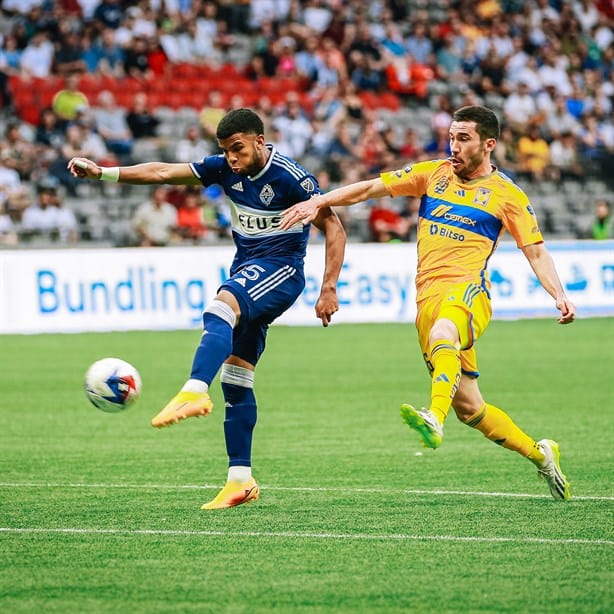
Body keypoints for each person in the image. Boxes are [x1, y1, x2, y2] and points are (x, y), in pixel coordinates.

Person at [281, 105, 575, 501]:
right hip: (426, 297)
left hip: (468, 290)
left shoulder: (507, 195)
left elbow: (536, 252)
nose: (453, 145)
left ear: (489, 144)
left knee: (445, 333)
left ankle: (433, 418)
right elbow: (370, 188)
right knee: (471, 410)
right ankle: (541, 455)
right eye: (451, 137)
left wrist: (558, 294)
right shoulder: (432, 174)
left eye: (463, 138)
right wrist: (317, 201)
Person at [68, 108, 346, 509]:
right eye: (225, 151)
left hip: (281, 272)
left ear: (259, 141)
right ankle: (240, 480)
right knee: (236, 379)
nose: (231, 158)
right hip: (248, 269)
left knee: (220, 307)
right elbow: (164, 172)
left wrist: (328, 287)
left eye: (237, 149)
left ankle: (195, 389)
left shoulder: (291, 177)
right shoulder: (223, 169)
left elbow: (334, 226)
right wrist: (104, 173)